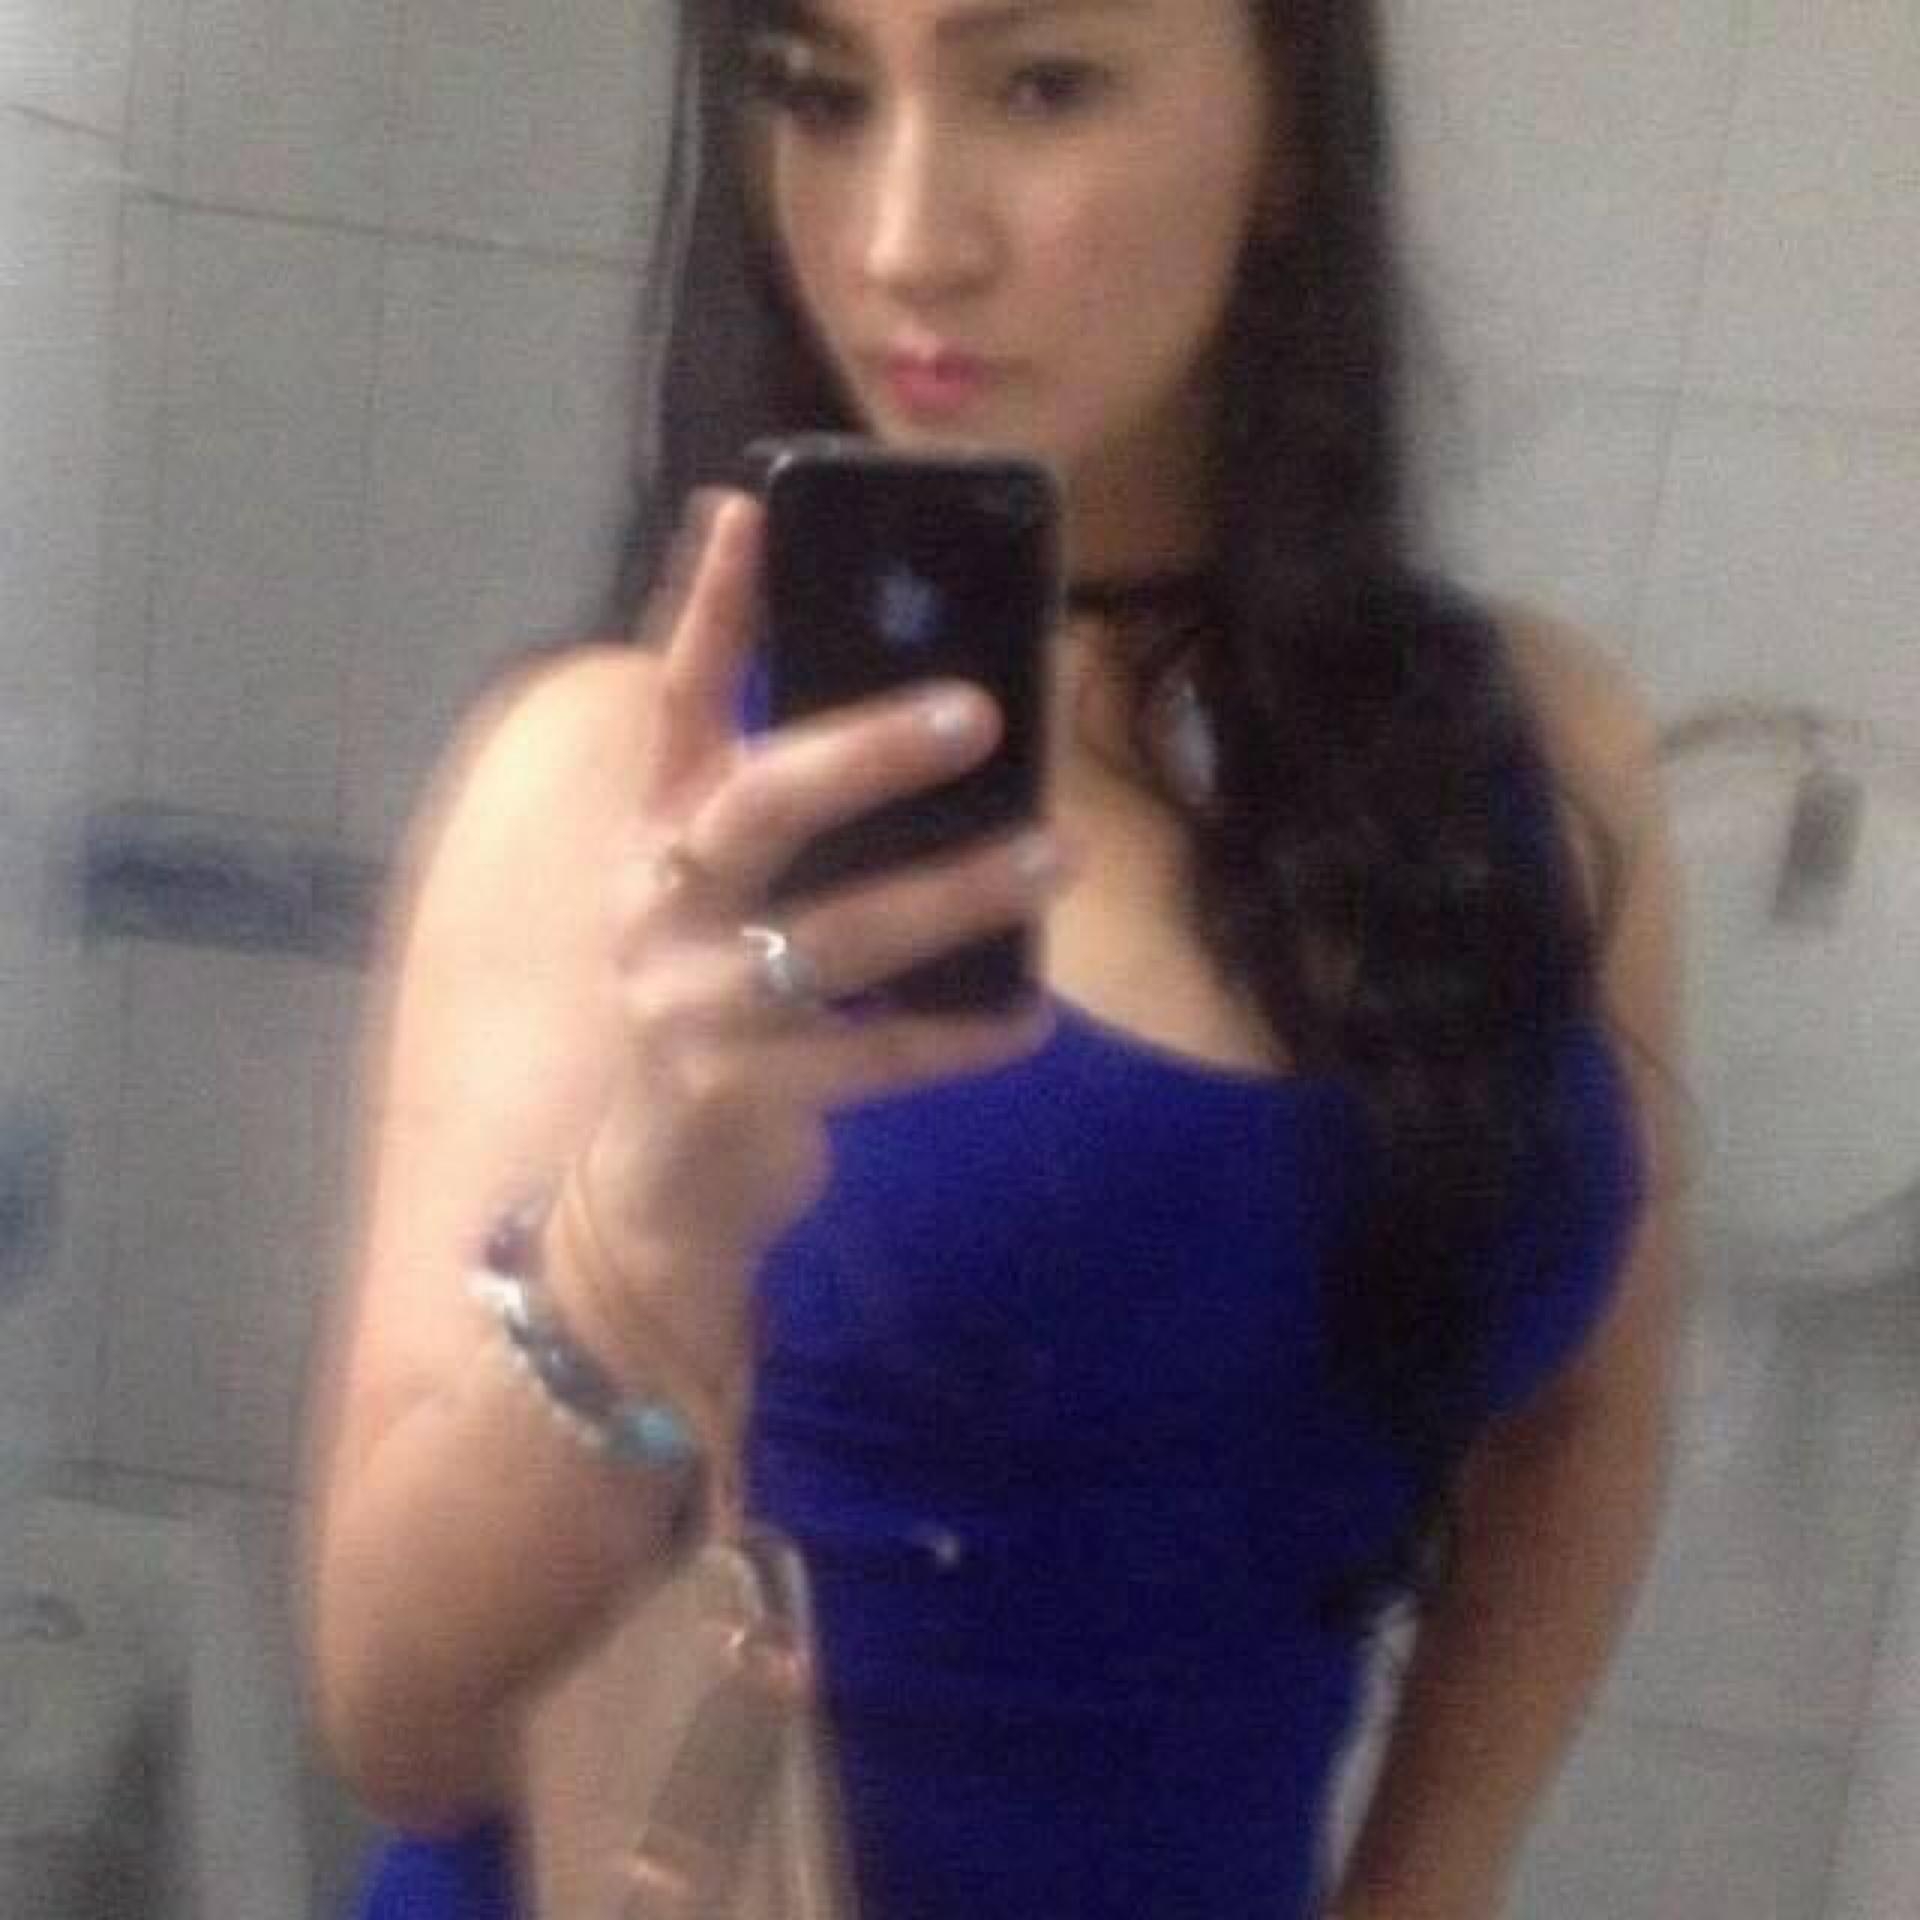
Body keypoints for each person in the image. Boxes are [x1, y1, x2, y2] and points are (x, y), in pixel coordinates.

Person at [302, 0, 1689, 1914]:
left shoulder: (1532, 761)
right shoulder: (613, 788)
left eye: (1041, 86)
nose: (900, 242)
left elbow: (1582, 1422)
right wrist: (643, 1233)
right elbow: (395, 1721)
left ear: (1288, 127)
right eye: (819, 93)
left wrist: (1421, 1889)